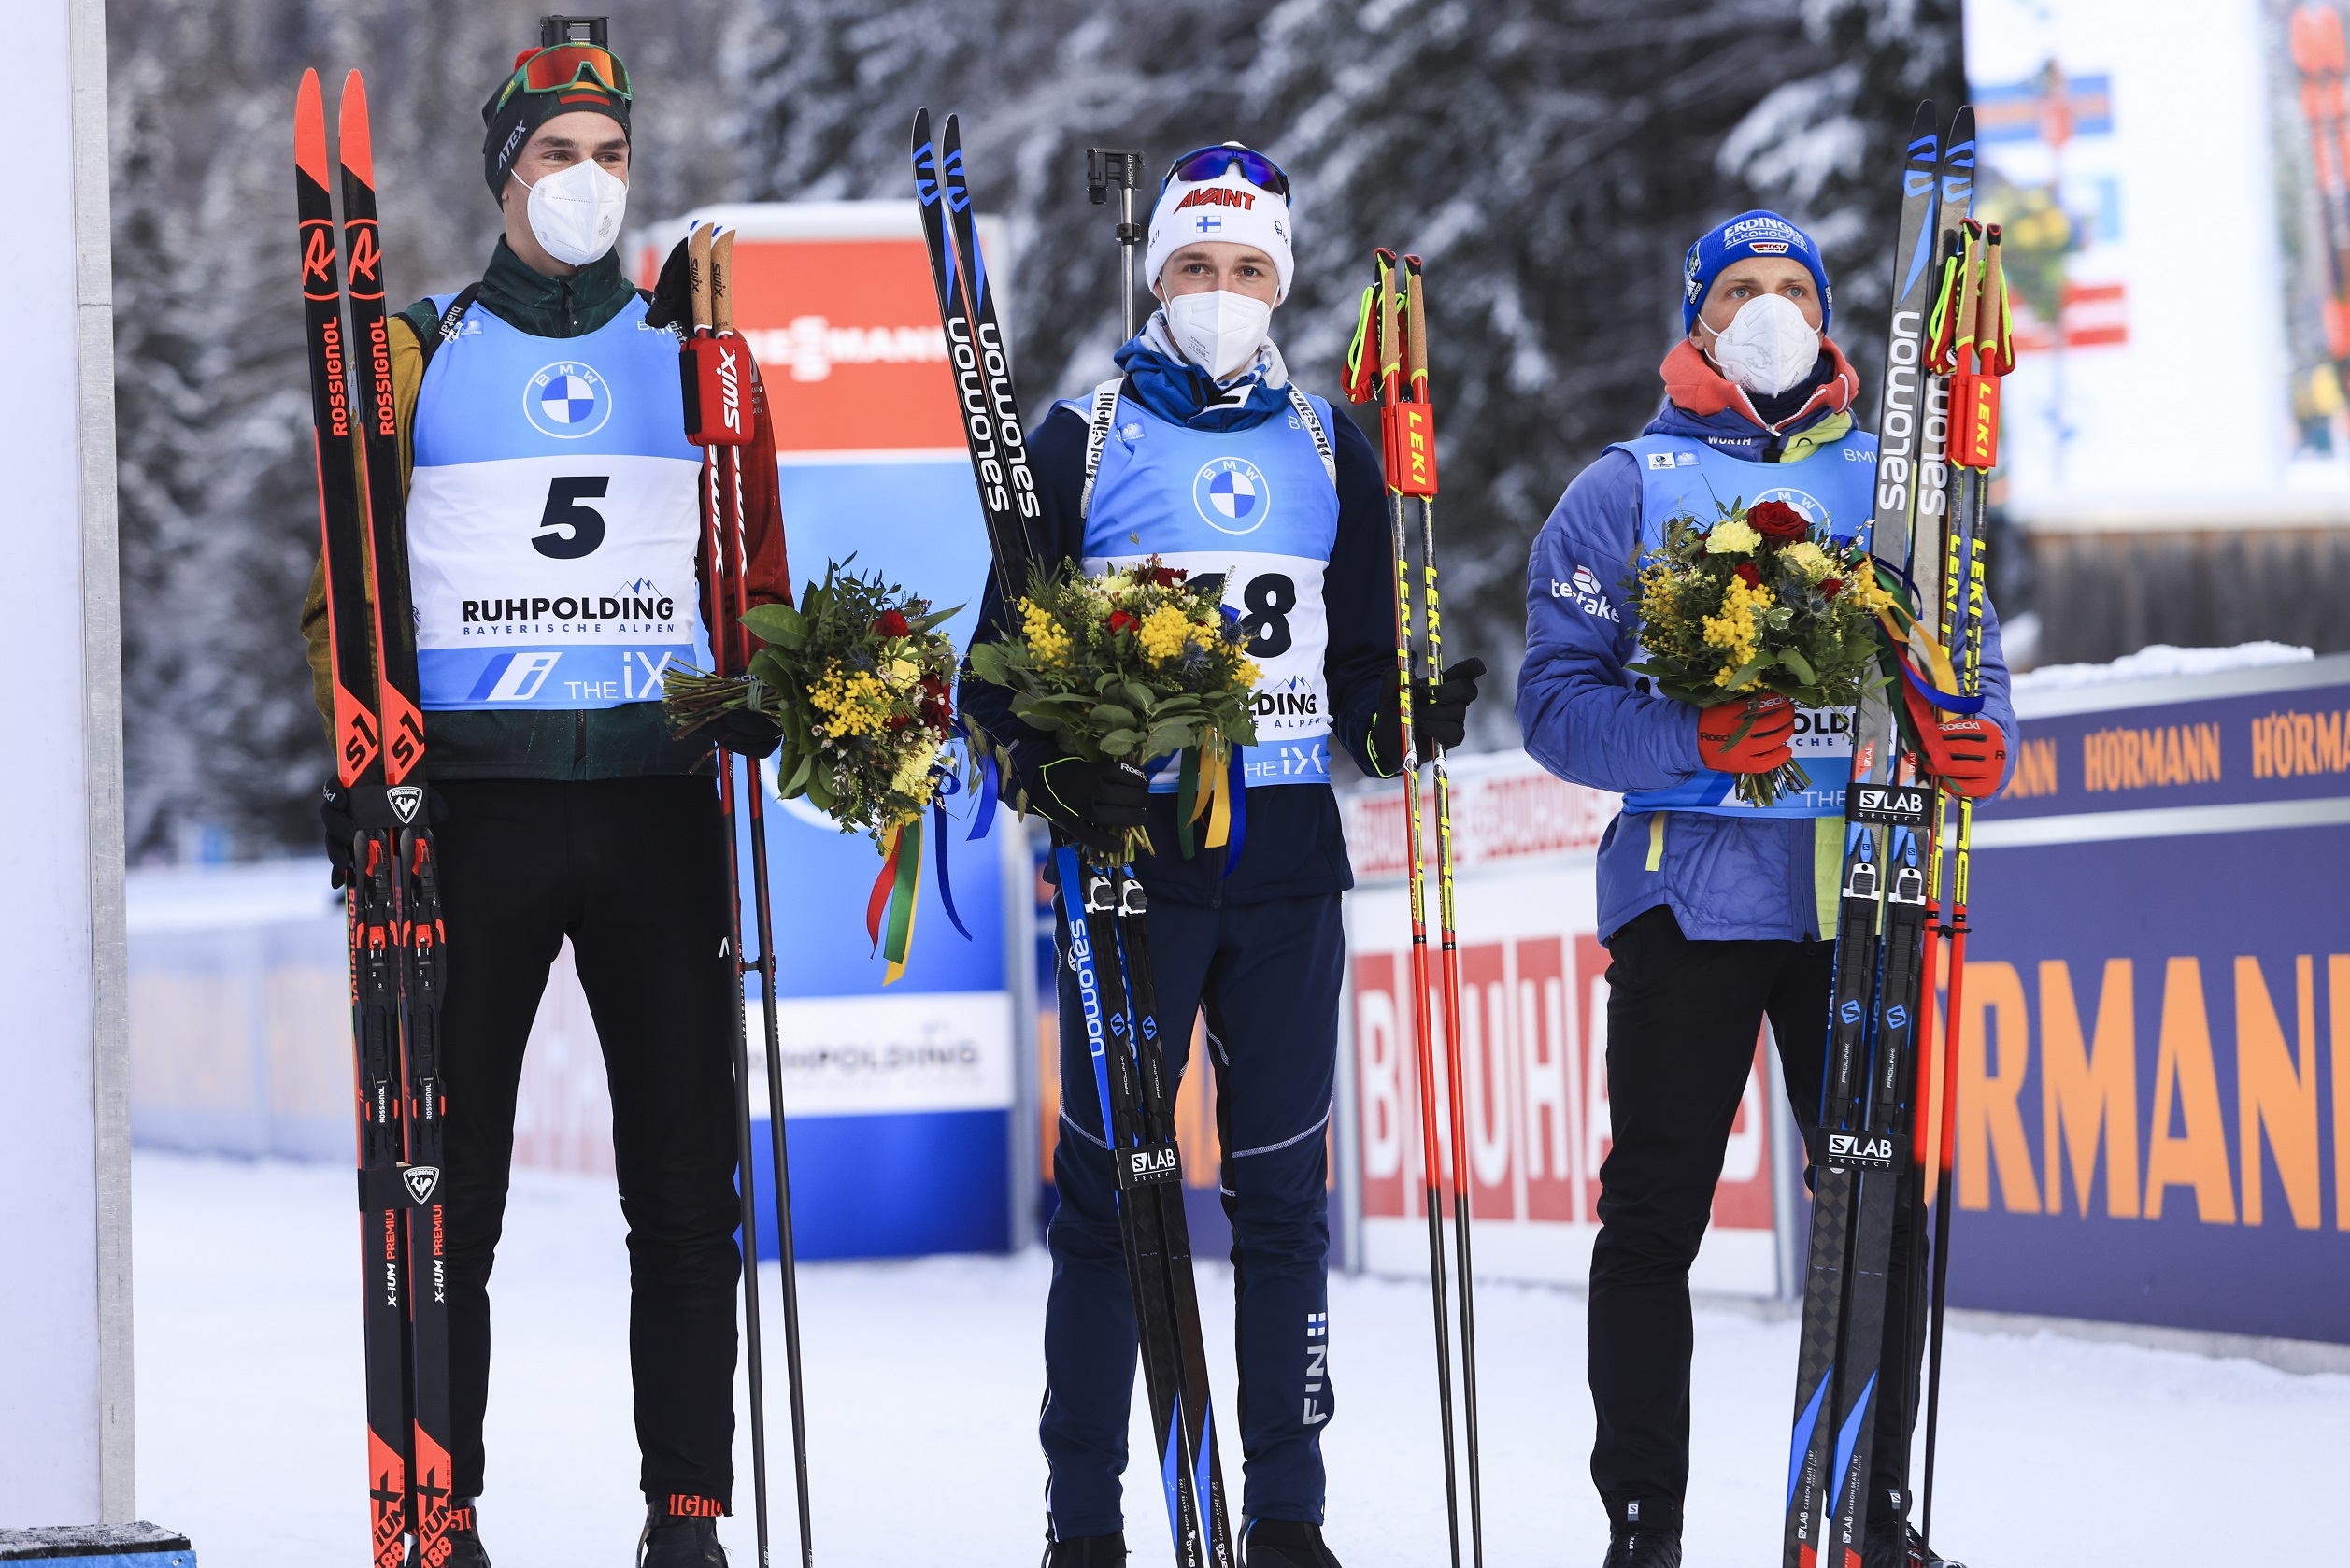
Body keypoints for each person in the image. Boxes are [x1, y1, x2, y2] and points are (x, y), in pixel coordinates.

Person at [299, 32, 789, 1568]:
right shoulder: (416, 353)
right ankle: (441, 1506)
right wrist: (361, 769)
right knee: (453, 1193)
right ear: (504, 175)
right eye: (559, 154)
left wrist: (770, 679)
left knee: (685, 1190)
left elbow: (753, 565)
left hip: (655, 809)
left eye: (613, 156)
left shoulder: (696, 353)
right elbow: (343, 591)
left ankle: (687, 1509)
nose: (591, 181)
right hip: (475, 814)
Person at [958, 143, 1482, 1568]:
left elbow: (1359, 669)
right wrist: (1049, 768)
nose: (1221, 290)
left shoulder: (1330, 444)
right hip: (1136, 864)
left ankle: (1288, 1513)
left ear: (1282, 284)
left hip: (1289, 863)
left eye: (1249, 268)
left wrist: (1401, 717)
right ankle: (1085, 1517)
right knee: (1110, 1198)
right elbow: (992, 675)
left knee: (1282, 1201)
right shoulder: (1079, 438)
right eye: (1195, 264)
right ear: (1156, 277)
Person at [1514, 210, 2013, 1568]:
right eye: (1741, 288)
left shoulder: (1898, 481)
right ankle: (1643, 1522)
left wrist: (1982, 739)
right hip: (1692, 892)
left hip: (1864, 889)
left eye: (1795, 286)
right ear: (1699, 317)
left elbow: (1969, 663)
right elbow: (1553, 706)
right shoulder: (1626, 485)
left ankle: (1871, 1511)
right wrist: (1694, 740)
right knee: (1656, 1209)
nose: (1773, 309)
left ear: (1831, 314)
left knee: (1879, 1205)